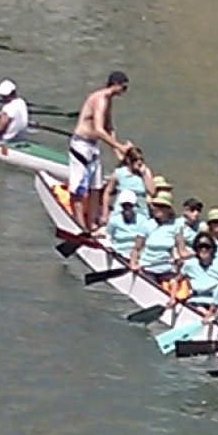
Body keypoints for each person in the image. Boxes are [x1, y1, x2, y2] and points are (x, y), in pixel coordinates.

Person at [69, 70, 132, 232]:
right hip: (81, 145)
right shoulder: (100, 99)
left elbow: (108, 127)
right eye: (124, 88)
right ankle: (80, 226)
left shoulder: (109, 100)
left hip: (93, 147)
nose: (125, 92)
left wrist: (117, 150)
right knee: (79, 189)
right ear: (116, 84)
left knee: (96, 187)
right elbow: (98, 129)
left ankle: (91, 224)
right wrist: (119, 146)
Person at [127, 194, 187, 286]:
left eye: (160, 206)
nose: (156, 208)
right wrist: (133, 264)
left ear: (168, 209)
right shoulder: (146, 225)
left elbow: (182, 251)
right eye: (155, 206)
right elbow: (136, 248)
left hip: (168, 269)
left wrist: (198, 252)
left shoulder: (176, 226)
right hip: (147, 269)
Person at [0, 79, 29, 146]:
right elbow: (9, 115)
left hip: (6, 141)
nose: (2, 98)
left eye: (3, 96)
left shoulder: (8, 108)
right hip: (20, 138)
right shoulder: (21, 101)